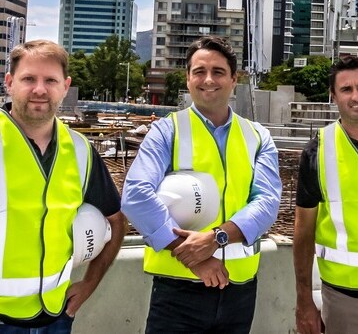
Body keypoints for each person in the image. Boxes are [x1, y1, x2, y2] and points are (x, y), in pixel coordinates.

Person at [122, 36, 281, 333]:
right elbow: (136, 196)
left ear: (234, 79)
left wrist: (216, 238)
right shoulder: (166, 130)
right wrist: (193, 258)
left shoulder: (258, 136)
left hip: (239, 290)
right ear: (188, 78)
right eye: (199, 71)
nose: (208, 80)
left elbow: (267, 202)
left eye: (218, 72)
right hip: (177, 289)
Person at [0, 39, 125, 333]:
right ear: (9, 82)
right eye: (28, 78)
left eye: (50, 80)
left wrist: (90, 283)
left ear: (65, 86)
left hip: (56, 317)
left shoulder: (81, 150)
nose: (40, 89)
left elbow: (116, 220)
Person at [293, 55, 358, 334]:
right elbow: (303, 234)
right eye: (346, 89)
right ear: (333, 96)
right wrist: (303, 300)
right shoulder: (318, 151)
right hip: (344, 301)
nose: (356, 96)